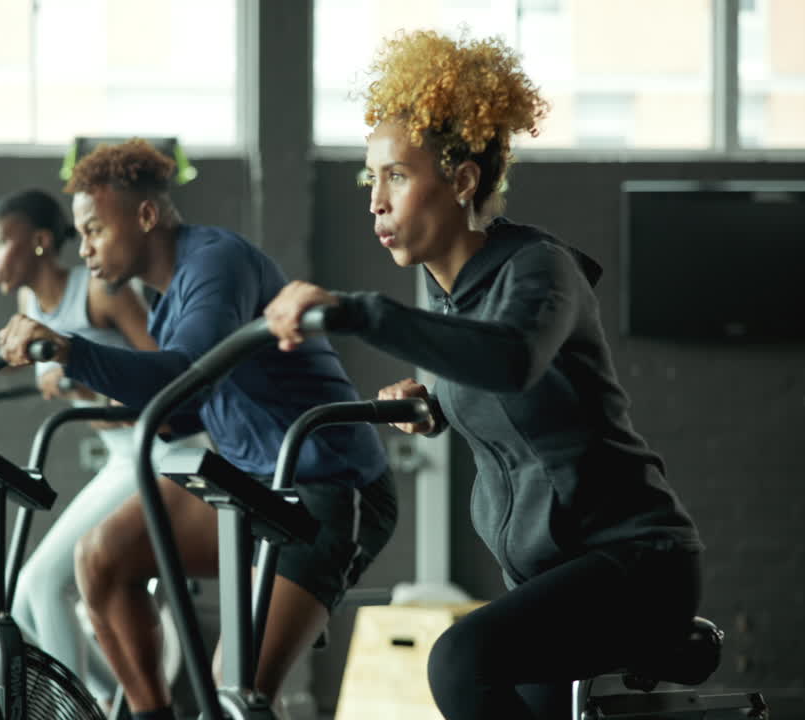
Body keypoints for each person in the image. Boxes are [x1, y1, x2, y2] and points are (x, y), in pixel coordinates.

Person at [262, 29, 704, 720]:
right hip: (548, 578)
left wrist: (358, 312)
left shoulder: (540, 268)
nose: (375, 200)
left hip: (635, 564)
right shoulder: (449, 294)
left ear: (463, 181)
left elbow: (512, 359)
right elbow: (497, 381)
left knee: (459, 662)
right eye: (371, 178)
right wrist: (434, 404)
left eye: (397, 176)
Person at [0, 139, 397, 720]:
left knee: (231, 696)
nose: (83, 250)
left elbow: (183, 372)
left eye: (95, 231)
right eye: (79, 235)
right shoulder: (166, 306)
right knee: (102, 558)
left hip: (326, 490)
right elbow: (180, 409)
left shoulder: (215, 262)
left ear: (146, 216)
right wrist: (97, 389)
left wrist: (71, 351)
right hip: (254, 488)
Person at [0, 188, 180, 706]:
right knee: (25, 596)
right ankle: (106, 702)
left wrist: (81, 380)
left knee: (45, 583)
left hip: (160, 453)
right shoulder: (30, 303)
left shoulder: (101, 293)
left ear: (38, 241)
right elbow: (16, 352)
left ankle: (76, 710)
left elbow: (172, 381)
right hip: (121, 457)